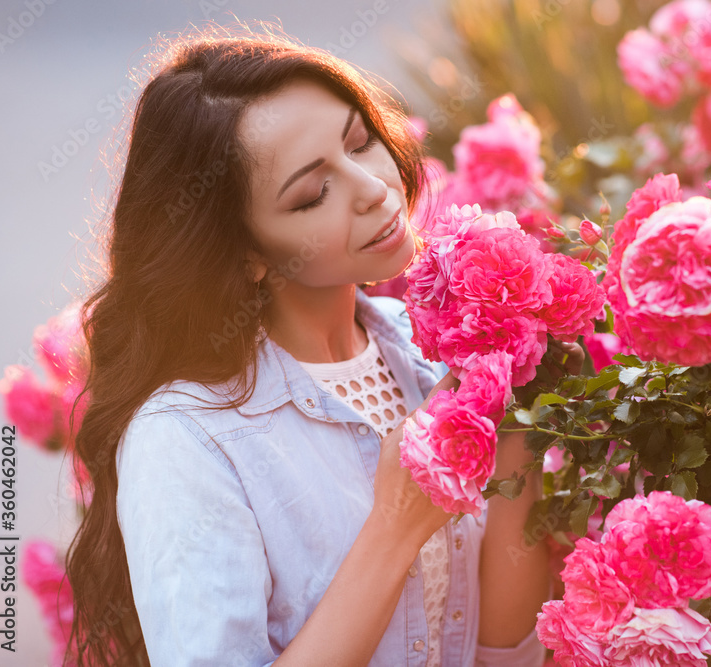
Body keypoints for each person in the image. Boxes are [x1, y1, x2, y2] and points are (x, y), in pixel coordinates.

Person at [64, 22, 582, 667]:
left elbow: (501, 654)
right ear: (247, 253)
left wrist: (518, 392)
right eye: (313, 195)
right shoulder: (186, 438)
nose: (371, 188)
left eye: (359, 143)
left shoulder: (427, 358)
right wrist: (394, 529)